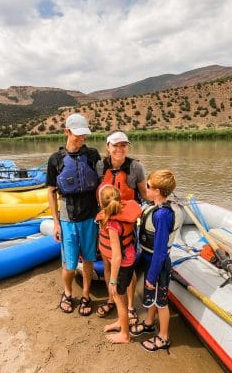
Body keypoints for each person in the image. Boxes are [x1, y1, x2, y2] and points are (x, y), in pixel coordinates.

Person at [46, 113, 100, 316]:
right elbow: (51, 191)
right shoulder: (55, 160)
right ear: (67, 132)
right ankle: (68, 293)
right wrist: (56, 223)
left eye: (84, 135)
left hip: (90, 217)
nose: (81, 139)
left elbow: (102, 185)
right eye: (77, 135)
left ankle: (86, 294)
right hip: (68, 219)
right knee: (69, 264)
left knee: (88, 259)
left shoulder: (92, 155)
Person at [95, 131, 148, 326]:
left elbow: (144, 194)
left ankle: (131, 306)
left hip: (126, 225)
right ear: (108, 147)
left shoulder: (136, 167)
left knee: (128, 264)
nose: (119, 149)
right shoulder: (100, 165)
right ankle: (112, 299)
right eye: (115, 145)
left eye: (123, 145)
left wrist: (162, 198)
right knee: (108, 261)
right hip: (107, 222)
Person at [130, 169, 183, 352]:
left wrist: (152, 277)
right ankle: (149, 322)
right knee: (152, 299)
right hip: (149, 259)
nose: (146, 187)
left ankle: (163, 337)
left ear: (158, 191)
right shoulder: (157, 208)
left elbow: (160, 251)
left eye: (149, 186)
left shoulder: (162, 215)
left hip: (157, 265)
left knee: (161, 302)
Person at [96, 185, 141, 343]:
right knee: (119, 298)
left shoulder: (112, 224)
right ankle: (121, 323)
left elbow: (116, 256)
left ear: (101, 204)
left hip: (122, 265)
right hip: (129, 259)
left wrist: (113, 280)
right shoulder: (122, 213)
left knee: (119, 299)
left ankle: (125, 335)